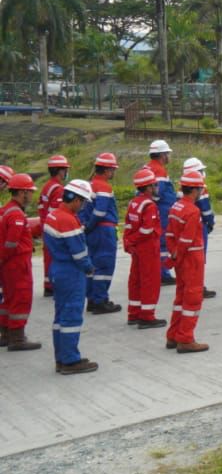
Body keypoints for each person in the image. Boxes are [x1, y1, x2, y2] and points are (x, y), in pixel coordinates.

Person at [45, 179, 97, 373]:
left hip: (58, 269)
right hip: (71, 272)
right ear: (74, 199)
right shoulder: (67, 219)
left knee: (60, 316)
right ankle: (70, 361)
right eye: (82, 201)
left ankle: (62, 358)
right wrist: (89, 268)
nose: (82, 205)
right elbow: (79, 253)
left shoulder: (53, 215)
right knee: (72, 316)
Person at [164, 169, 210, 353]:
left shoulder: (175, 207)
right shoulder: (192, 210)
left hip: (181, 259)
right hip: (191, 259)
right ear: (195, 190)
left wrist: (174, 257)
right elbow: (187, 239)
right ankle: (185, 339)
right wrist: (179, 256)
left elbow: (170, 235)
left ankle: (173, 335)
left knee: (181, 297)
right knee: (192, 298)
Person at [0, 173, 40, 350]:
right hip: (17, 264)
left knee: (9, 299)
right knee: (20, 298)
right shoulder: (16, 215)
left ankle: (6, 334)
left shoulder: (6, 210)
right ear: (22, 192)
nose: (31, 195)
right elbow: (11, 243)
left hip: (9, 264)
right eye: (30, 191)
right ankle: (17, 338)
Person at [123, 168, 166, 329]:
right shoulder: (149, 205)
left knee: (135, 280)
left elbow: (128, 225)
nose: (156, 187)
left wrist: (128, 242)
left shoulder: (133, 203)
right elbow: (147, 229)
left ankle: (133, 313)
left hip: (137, 249)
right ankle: (147, 316)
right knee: (150, 281)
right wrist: (133, 240)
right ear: (148, 187)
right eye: (154, 184)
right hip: (147, 248)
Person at [80, 152, 122, 314]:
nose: (113, 173)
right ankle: (100, 300)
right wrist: (91, 226)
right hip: (103, 230)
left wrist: (87, 227)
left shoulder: (89, 185)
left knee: (93, 265)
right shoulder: (104, 186)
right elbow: (100, 211)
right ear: (106, 170)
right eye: (112, 169)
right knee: (104, 266)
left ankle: (92, 299)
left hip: (93, 232)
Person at [145, 140, 179, 284]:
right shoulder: (159, 170)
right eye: (167, 153)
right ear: (162, 155)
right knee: (163, 243)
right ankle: (163, 273)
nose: (169, 156)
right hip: (162, 210)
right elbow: (158, 193)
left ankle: (159, 271)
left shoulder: (147, 168)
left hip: (155, 210)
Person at [183, 157, 217, 299]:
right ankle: (198, 287)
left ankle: (188, 285)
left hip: (186, 226)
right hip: (199, 225)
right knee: (199, 259)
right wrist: (210, 222)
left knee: (188, 259)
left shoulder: (182, 188)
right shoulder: (200, 188)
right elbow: (206, 210)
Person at [38, 154, 69, 297]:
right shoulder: (58, 189)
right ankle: (53, 286)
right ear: (59, 170)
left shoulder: (47, 186)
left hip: (45, 227)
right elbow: (56, 213)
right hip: (53, 230)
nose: (66, 172)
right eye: (64, 169)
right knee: (56, 258)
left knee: (48, 258)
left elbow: (41, 207)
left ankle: (48, 285)